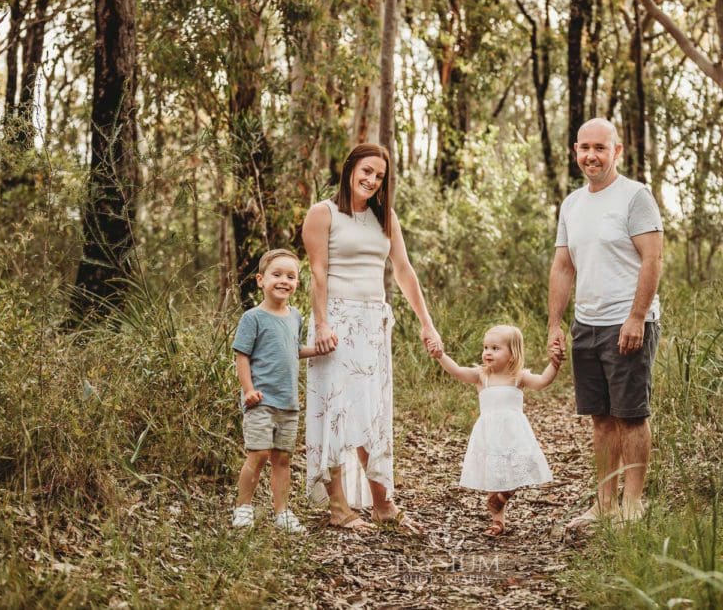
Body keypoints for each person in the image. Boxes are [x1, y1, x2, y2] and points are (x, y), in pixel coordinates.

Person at [302, 142, 442, 533]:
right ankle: (339, 508)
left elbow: (403, 270)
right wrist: (322, 324)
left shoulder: (386, 218)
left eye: (379, 176)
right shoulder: (323, 213)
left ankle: (383, 505)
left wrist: (426, 323)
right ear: (350, 169)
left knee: (372, 415)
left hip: (374, 323)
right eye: (366, 171)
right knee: (335, 413)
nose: (371, 180)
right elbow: (317, 274)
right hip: (336, 321)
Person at [547, 118, 663, 529]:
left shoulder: (635, 196)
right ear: (576, 150)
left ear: (617, 151)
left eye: (600, 147)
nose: (591, 155)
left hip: (627, 322)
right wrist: (555, 325)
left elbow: (653, 258)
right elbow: (563, 266)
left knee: (630, 415)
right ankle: (604, 505)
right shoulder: (573, 204)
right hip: (587, 324)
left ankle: (632, 506)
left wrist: (636, 317)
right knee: (600, 418)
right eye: (584, 148)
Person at [434, 325, 560, 536]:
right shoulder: (481, 376)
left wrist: (554, 365)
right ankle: (497, 521)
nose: (487, 352)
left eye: (495, 348)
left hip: (514, 432)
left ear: (512, 354)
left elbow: (542, 382)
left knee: (523, 463)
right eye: (485, 347)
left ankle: (507, 491)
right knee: (495, 472)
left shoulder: (518, 376)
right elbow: (457, 371)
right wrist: (440, 356)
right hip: (490, 434)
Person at [232, 249, 324, 532]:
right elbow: (241, 356)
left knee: (283, 459)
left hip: (287, 403)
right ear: (260, 280)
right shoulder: (253, 318)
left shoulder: (295, 316)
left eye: (291, 276)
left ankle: (282, 513)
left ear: (297, 283)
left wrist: (318, 350)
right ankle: (243, 507)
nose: (284, 280)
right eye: (277, 275)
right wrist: (248, 390)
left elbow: (292, 350)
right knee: (258, 454)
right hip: (260, 400)